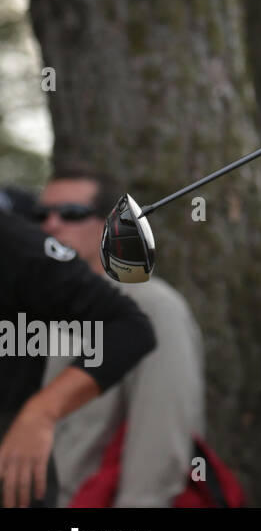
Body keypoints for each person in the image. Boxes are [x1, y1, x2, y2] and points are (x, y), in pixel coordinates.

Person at [35, 166, 204, 506]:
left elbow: (161, 437)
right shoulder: (41, 307)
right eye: (41, 214)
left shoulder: (153, 306)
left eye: (71, 213)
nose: (51, 225)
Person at [0, 209, 156, 508]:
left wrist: (41, 413)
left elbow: (129, 327)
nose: (53, 220)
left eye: (71, 212)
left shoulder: (13, 244)